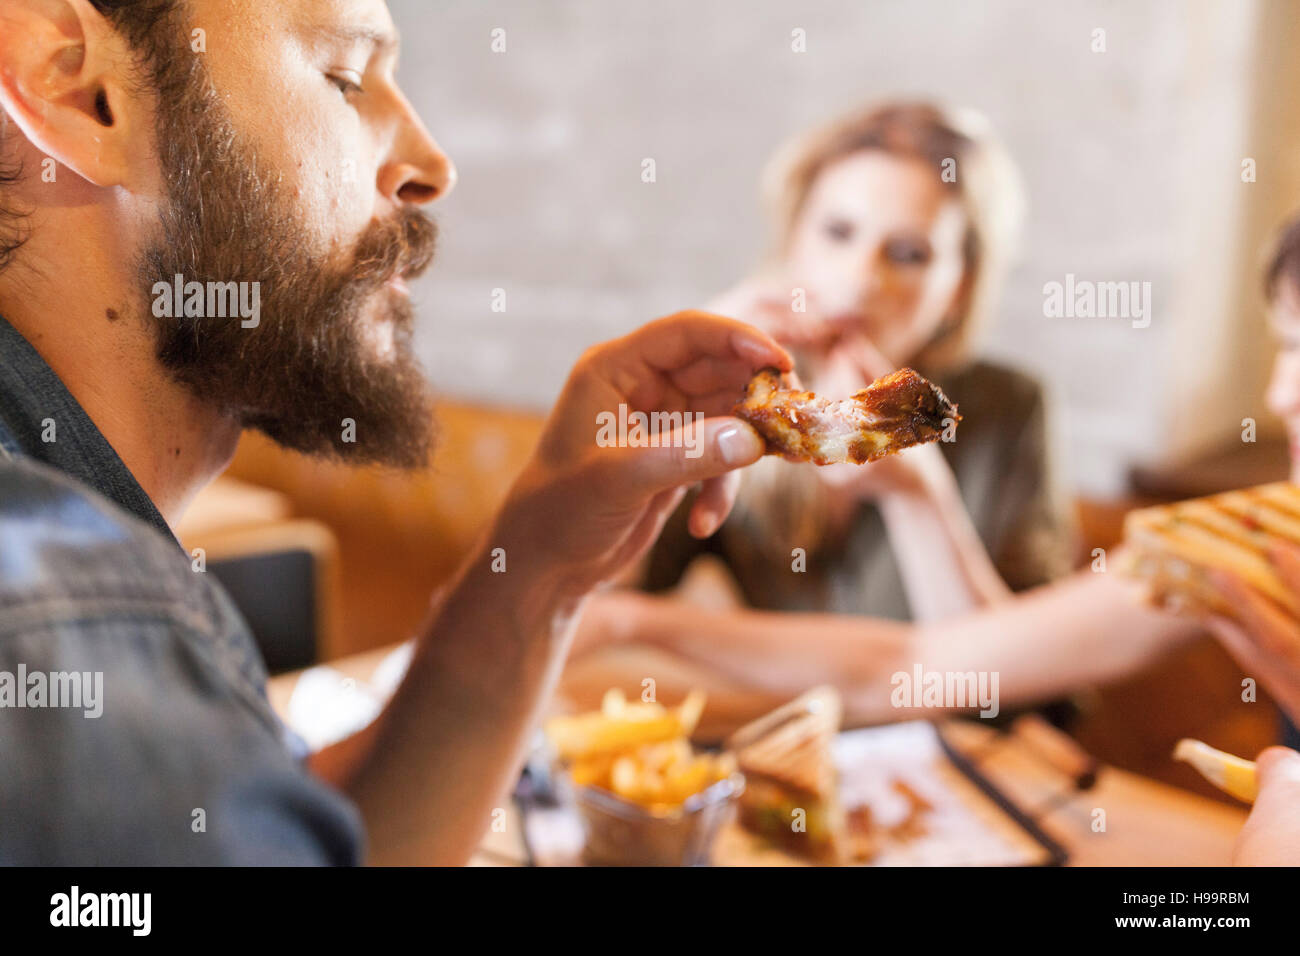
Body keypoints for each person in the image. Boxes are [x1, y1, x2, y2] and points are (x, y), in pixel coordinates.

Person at [0, 0, 793, 864]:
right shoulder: (69, 629)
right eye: (342, 77)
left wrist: (539, 569)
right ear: (79, 89)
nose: (431, 165)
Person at [564, 102, 1075, 720]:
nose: (862, 277)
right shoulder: (746, 398)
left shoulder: (1007, 410)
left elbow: (1015, 701)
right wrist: (668, 403)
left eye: (909, 253)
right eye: (837, 232)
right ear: (791, 241)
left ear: (958, 288)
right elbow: (586, 607)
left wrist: (920, 499)